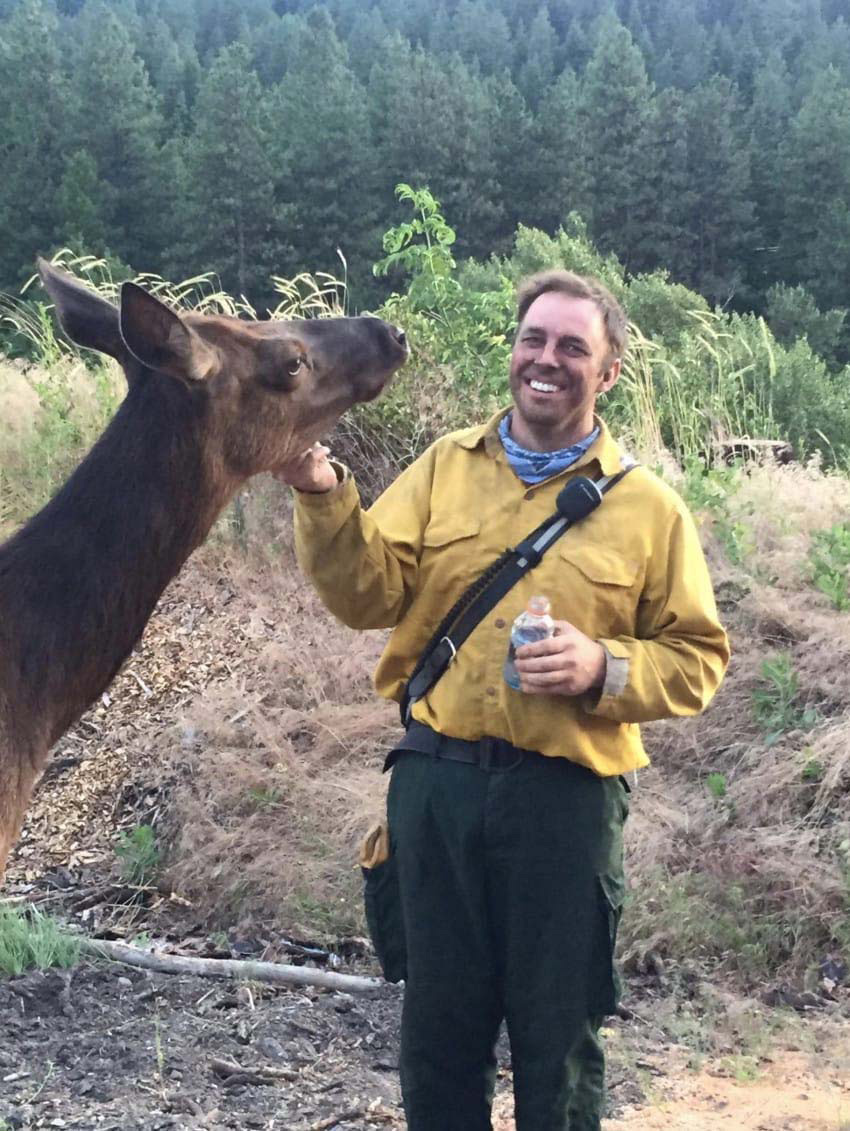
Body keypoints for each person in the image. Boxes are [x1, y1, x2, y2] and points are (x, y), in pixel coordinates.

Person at [275, 270, 729, 1131]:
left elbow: (699, 659)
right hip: (436, 789)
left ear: (609, 372)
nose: (546, 360)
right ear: (513, 349)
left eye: (572, 347)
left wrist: (603, 667)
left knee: (557, 1049)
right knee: (438, 1042)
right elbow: (366, 594)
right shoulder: (447, 466)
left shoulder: (649, 509)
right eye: (533, 339)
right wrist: (320, 487)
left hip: (565, 803)